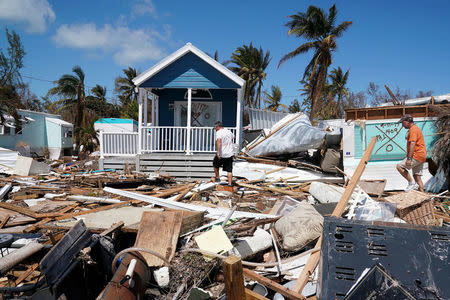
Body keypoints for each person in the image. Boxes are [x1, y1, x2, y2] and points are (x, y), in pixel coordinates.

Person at [396, 114, 427, 192]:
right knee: (417, 177)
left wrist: (409, 158)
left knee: (399, 166)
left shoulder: (413, 129)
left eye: (402, 122)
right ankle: (423, 198)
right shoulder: (415, 128)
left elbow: (413, 143)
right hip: (421, 156)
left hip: (416, 155)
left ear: (408, 121)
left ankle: (411, 183)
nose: (402, 125)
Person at [213, 121, 234, 186]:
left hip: (222, 154)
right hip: (229, 153)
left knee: (215, 164)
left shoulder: (219, 132)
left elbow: (218, 141)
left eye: (215, 128)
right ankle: (230, 184)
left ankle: (217, 177)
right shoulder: (228, 131)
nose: (215, 129)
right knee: (229, 170)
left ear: (218, 127)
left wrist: (218, 152)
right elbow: (233, 137)